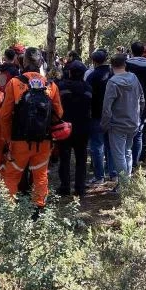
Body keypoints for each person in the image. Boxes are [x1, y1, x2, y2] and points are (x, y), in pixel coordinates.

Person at [0, 47, 63, 213]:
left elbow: (4, 115)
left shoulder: (15, 83)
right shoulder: (51, 85)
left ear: (24, 62)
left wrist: (7, 139)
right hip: (44, 140)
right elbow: (59, 113)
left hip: (19, 140)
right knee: (40, 175)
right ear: (41, 62)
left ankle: (7, 212)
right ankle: (39, 210)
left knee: (12, 176)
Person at [101, 53, 145, 187]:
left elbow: (107, 107)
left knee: (119, 155)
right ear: (125, 64)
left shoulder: (112, 82)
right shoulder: (134, 78)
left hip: (117, 124)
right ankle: (127, 183)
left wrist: (104, 125)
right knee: (127, 152)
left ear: (111, 66)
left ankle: (124, 186)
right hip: (133, 122)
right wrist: (138, 115)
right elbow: (142, 99)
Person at [56, 61, 92, 197]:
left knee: (64, 158)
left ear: (69, 72)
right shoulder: (88, 88)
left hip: (65, 128)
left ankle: (65, 187)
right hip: (83, 128)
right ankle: (80, 189)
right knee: (81, 160)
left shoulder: (61, 86)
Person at [126, 41, 146, 166]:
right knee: (139, 131)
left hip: (128, 100)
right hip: (145, 101)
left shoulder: (127, 64)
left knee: (128, 130)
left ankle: (127, 161)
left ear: (132, 50)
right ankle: (135, 161)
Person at [86, 49, 115, 184]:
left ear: (94, 61)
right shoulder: (113, 73)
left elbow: (88, 96)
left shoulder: (92, 76)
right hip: (112, 114)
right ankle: (113, 173)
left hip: (96, 114)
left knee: (97, 145)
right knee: (111, 145)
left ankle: (99, 177)